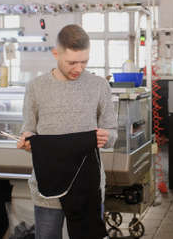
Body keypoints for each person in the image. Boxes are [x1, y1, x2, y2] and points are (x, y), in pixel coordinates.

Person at [17, 24, 117, 239]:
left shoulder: (99, 85)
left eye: (84, 62)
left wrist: (106, 137)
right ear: (56, 54)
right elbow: (29, 129)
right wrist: (26, 142)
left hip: (88, 187)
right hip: (47, 186)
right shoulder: (36, 86)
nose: (78, 69)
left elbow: (111, 131)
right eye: (72, 62)